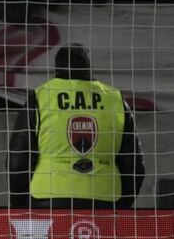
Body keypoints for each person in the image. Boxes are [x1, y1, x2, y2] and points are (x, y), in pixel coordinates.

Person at [8, 44, 145, 209]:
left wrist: (20, 207)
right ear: (89, 68)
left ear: (56, 69)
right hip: (105, 198)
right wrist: (122, 205)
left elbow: (18, 161)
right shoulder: (114, 99)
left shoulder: (40, 97)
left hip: (48, 197)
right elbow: (134, 164)